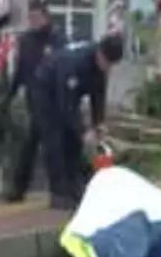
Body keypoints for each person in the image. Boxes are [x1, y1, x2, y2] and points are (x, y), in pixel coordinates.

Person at [29, 31, 125, 209]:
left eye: (112, 64)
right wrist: (83, 131)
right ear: (100, 53)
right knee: (55, 140)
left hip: (68, 95)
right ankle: (58, 193)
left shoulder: (102, 66)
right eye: (107, 62)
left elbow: (98, 95)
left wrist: (98, 124)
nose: (108, 67)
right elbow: (65, 104)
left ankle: (75, 186)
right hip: (46, 90)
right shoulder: (75, 63)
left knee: (74, 142)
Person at [0, 2, 70, 203]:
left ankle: (60, 191)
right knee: (32, 147)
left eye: (37, 17)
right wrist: (9, 96)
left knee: (52, 148)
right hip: (34, 100)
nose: (33, 22)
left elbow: (65, 70)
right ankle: (21, 189)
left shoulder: (57, 39)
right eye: (31, 18)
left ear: (46, 17)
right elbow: (20, 71)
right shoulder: (26, 41)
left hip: (54, 102)